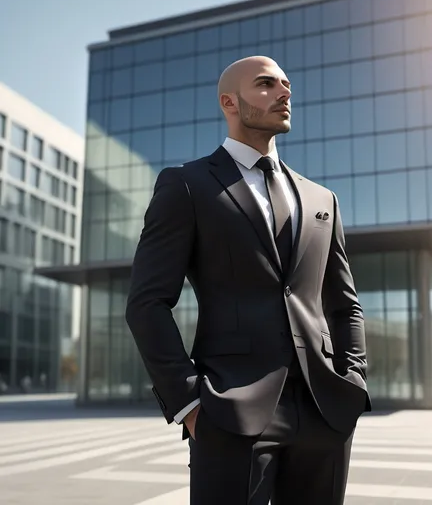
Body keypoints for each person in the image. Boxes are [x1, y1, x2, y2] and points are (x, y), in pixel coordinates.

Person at [125, 56, 371, 505]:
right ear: (229, 102)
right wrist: (190, 405)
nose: (284, 93)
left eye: (286, 84)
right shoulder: (186, 185)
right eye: (265, 84)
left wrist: (354, 377)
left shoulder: (323, 199)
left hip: (325, 412)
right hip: (229, 413)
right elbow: (146, 303)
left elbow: (344, 303)